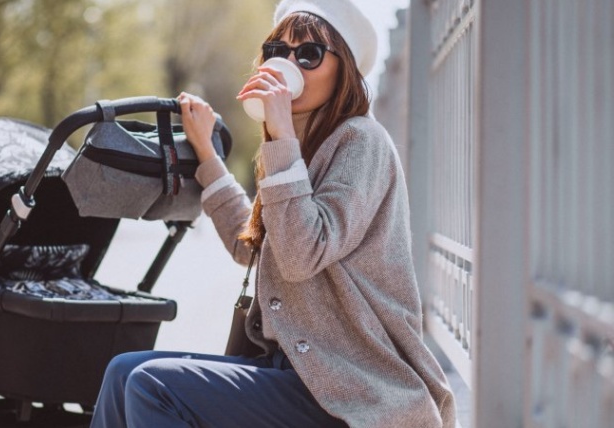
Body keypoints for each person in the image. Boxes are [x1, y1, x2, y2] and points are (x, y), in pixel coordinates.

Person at [89, 0, 456, 427]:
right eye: (276, 51)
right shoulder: (297, 146)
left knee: (151, 385)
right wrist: (208, 153)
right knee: (122, 372)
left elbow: (301, 255)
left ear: (345, 72)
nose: (288, 65)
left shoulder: (361, 141)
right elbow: (256, 248)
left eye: (309, 54)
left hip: (354, 392)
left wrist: (279, 136)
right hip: (293, 374)